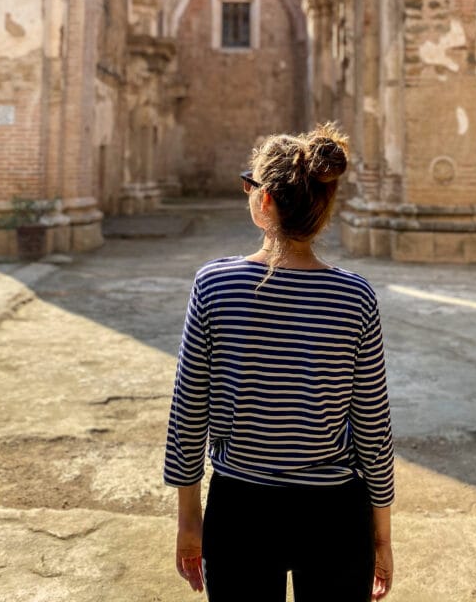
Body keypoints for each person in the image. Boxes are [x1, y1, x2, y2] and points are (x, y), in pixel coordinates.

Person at [163, 123, 395, 602]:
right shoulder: (355, 296)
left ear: (264, 201)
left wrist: (190, 521)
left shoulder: (214, 285)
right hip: (335, 514)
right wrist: (382, 536)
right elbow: (373, 425)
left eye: (250, 186)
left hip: (240, 510)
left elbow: (188, 413)